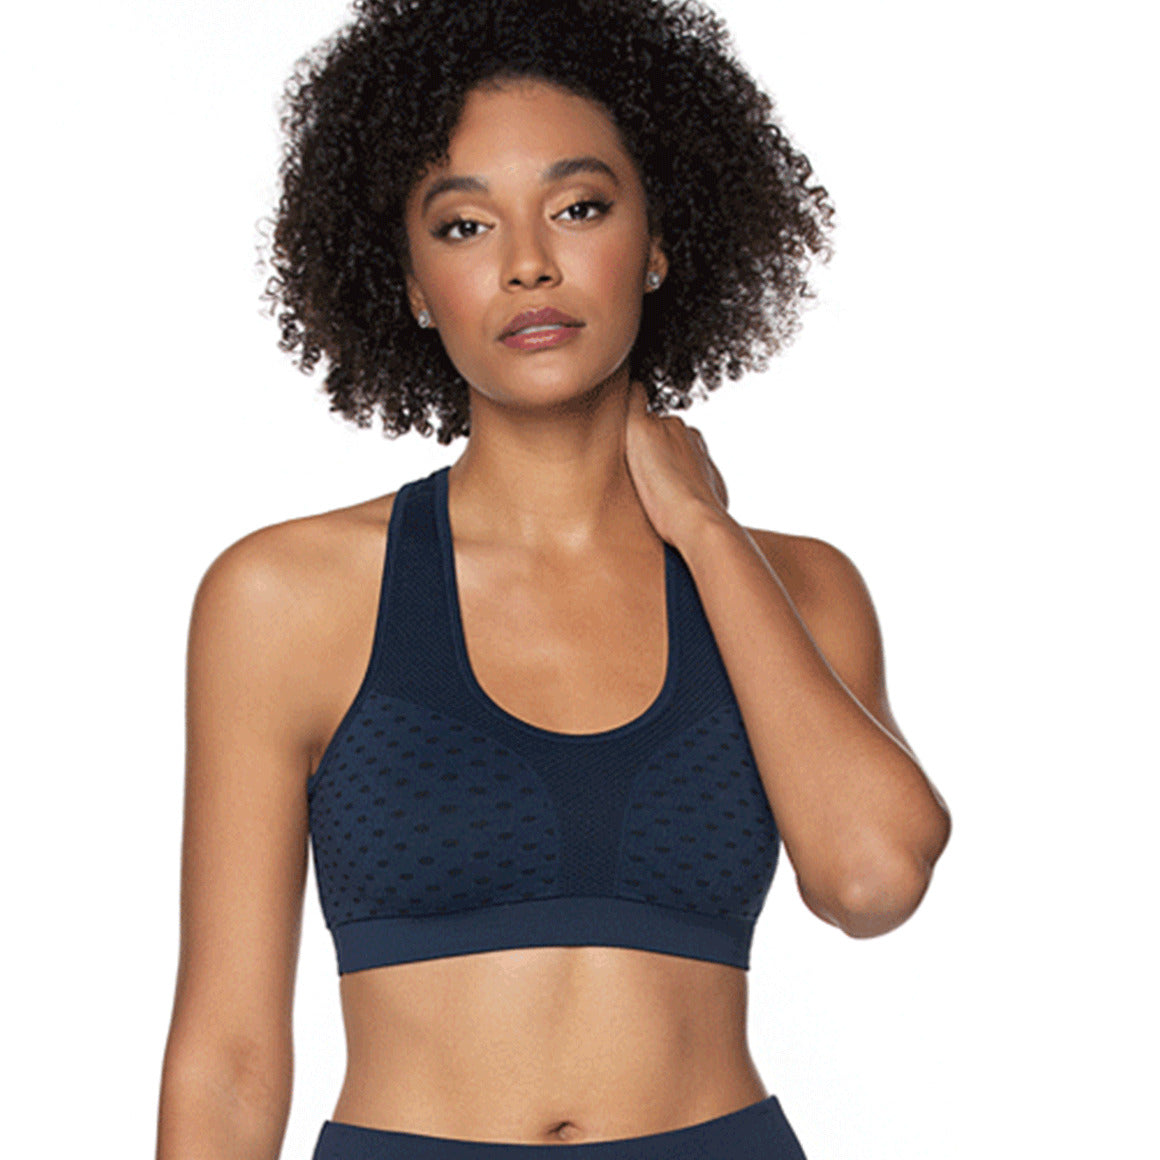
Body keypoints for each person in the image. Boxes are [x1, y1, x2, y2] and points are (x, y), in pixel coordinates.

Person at [156, 1, 952, 1157]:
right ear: (413, 282)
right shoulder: (286, 595)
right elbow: (228, 1057)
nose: (528, 261)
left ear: (658, 240)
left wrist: (703, 528)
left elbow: (871, 879)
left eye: (578, 207)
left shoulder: (792, 586)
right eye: (464, 225)